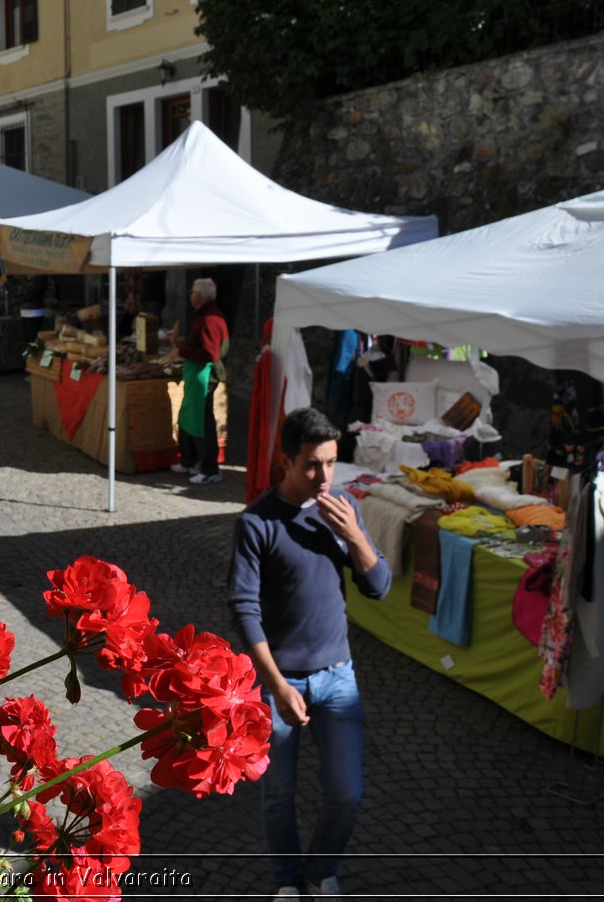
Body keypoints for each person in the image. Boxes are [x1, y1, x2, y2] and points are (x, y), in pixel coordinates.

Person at [227, 406, 390, 901]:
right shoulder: (257, 523)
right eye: (312, 465)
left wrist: (355, 536)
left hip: (338, 677)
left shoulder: (341, 510)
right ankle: (286, 883)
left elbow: (379, 587)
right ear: (286, 461)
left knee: (347, 792)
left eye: (332, 463)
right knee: (279, 792)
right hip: (280, 681)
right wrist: (275, 685)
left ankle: (320, 872)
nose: (324, 476)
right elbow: (243, 608)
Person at [168, 276, 229, 485]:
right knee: (187, 417)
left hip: (205, 377)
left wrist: (181, 351)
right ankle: (189, 460)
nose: (190, 295)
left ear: (200, 296)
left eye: (193, 292)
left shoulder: (210, 319)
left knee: (203, 422)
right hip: (196, 375)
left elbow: (209, 353)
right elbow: (202, 344)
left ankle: (210, 469)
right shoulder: (205, 316)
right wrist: (184, 344)